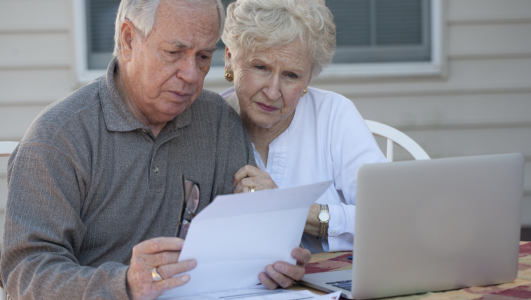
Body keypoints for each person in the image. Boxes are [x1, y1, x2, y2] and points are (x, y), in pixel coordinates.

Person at [0, 0, 311, 299]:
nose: (190, 74)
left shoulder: (219, 123)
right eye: (174, 52)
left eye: (203, 57)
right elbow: (24, 272)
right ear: (129, 40)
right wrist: (125, 286)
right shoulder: (59, 137)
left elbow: (240, 247)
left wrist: (271, 262)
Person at [222, 0, 387, 254]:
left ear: (308, 78)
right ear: (230, 59)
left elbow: (390, 215)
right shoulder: (208, 125)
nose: (273, 91)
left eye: (291, 75)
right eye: (260, 67)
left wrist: (291, 209)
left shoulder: (334, 115)